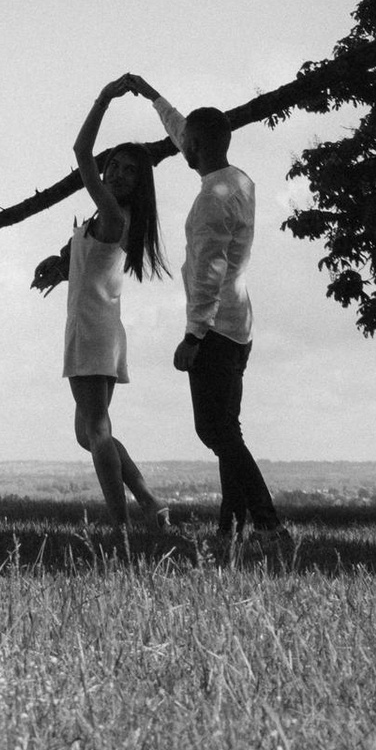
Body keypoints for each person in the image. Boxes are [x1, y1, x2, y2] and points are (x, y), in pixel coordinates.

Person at [137, 81, 283, 544]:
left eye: (187, 144)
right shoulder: (238, 181)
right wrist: (152, 97)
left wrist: (193, 336)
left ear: (196, 147)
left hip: (216, 329)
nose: (182, 147)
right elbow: (187, 131)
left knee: (215, 432)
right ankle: (230, 526)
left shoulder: (211, 200)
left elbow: (207, 273)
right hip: (241, 326)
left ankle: (266, 522)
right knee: (228, 429)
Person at [31, 76, 170, 539]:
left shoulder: (113, 214)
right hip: (94, 330)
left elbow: (81, 154)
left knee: (97, 431)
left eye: (131, 171)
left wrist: (105, 97)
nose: (118, 173)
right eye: (117, 166)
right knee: (89, 432)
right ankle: (150, 504)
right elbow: (90, 267)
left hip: (93, 332)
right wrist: (61, 264)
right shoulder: (103, 220)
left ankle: (123, 526)